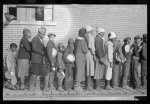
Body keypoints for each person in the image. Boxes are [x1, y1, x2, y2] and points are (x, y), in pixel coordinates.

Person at [29, 27, 46, 91]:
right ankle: (31, 87)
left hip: (39, 59)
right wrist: (43, 53)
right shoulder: (35, 39)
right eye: (42, 34)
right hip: (35, 60)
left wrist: (48, 51)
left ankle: (37, 87)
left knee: (38, 73)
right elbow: (34, 48)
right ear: (39, 33)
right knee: (34, 73)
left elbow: (43, 48)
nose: (44, 36)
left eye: (44, 34)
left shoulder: (41, 40)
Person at [84, 25, 96, 91]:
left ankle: (87, 85)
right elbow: (90, 47)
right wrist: (93, 54)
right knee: (89, 69)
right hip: (90, 54)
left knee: (87, 69)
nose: (92, 31)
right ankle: (88, 86)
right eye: (92, 30)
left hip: (87, 54)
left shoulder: (85, 35)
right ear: (90, 30)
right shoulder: (89, 36)